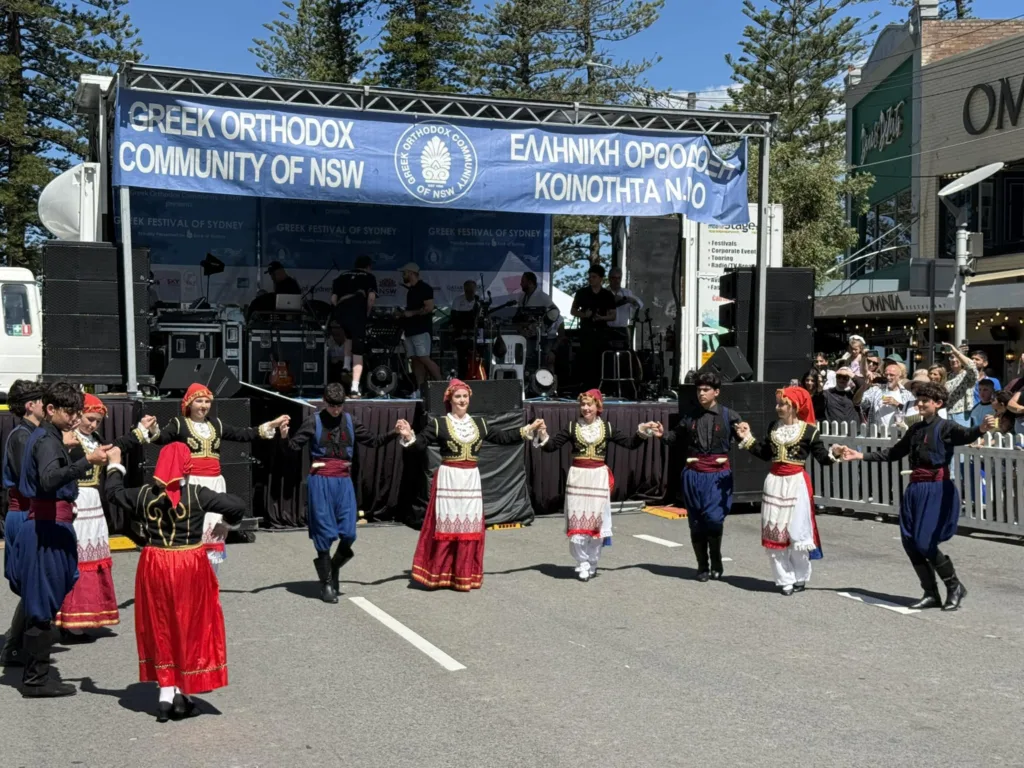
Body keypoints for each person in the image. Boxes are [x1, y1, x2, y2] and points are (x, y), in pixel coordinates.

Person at [103, 443, 246, 722]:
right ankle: (182, 692)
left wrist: (115, 465)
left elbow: (113, 494)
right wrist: (228, 523)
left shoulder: (144, 494)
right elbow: (237, 505)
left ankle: (166, 694)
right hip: (188, 563)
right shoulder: (196, 493)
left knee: (160, 624)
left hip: (155, 561)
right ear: (186, 467)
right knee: (190, 624)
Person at [842, 382, 995, 611]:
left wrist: (981, 428)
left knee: (925, 541)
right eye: (919, 400)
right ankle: (930, 593)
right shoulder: (915, 429)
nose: (920, 404)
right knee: (910, 542)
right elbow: (894, 453)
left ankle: (954, 586)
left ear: (938, 404)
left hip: (936, 488)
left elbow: (966, 435)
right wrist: (860, 456)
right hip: (915, 488)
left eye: (925, 401)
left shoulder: (946, 427)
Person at [395, 379, 540, 592]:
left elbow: (502, 437)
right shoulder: (439, 423)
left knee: (468, 526)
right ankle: (440, 573)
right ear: (450, 400)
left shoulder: (479, 424)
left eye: (465, 397)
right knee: (446, 525)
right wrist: (408, 436)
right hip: (449, 479)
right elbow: (420, 446)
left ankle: (463, 574)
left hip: (470, 479)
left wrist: (527, 429)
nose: (462, 400)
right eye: (458, 397)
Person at [12, 382, 109, 697]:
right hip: (46, 527)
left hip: (49, 524)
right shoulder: (48, 441)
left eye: (76, 413)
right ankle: (35, 679)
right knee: (41, 603)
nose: (73, 419)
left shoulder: (48, 437)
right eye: (69, 412)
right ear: (50, 409)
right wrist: (86, 463)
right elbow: (49, 479)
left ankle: (35, 672)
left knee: (43, 599)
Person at [143, 383, 289, 572]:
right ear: (189, 403)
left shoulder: (216, 424)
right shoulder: (179, 423)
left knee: (214, 531)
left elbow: (244, 434)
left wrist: (272, 424)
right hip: (191, 483)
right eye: (199, 401)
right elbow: (161, 439)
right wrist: (153, 428)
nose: (203, 405)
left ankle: (211, 579)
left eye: (207, 401)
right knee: (192, 529)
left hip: (215, 483)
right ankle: (189, 575)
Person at [281, 384, 398, 603]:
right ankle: (327, 583)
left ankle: (332, 567)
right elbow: (292, 448)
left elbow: (372, 441)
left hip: (343, 481)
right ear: (325, 402)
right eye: (332, 405)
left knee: (349, 533)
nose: (336, 409)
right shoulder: (313, 421)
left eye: (339, 405)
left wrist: (394, 432)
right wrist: (285, 437)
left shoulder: (351, 421)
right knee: (324, 533)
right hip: (321, 480)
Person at [55, 396, 156, 640]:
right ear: (78, 415)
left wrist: (140, 431)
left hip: (93, 504)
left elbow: (115, 447)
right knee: (77, 560)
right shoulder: (66, 439)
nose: (93, 425)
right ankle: (70, 619)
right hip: (75, 501)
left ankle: (87, 614)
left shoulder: (94, 439)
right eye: (90, 419)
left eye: (98, 422)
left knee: (92, 559)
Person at [533, 390, 656, 581]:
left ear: (598, 406)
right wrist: (543, 433)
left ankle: (592, 561)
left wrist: (643, 430)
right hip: (578, 478)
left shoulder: (606, 428)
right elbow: (551, 447)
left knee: (596, 522)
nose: (585, 408)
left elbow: (630, 444)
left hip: (598, 478)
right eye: (583, 404)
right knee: (578, 521)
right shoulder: (573, 426)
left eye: (589, 404)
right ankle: (581, 562)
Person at [736, 387, 843, 595]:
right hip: (775, 482)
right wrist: (747, 437)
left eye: (782, 404)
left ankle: (801, 576)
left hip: (797, 483)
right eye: (778, 404)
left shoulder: (810, 431)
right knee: (775, 531)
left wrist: (835, 454)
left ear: (794, 406)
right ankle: (784, 579)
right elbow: (765, 453)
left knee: (797, 532)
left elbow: (822, 458)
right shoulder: (773, 427)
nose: (778, 408)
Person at [651, 372, 747, 581]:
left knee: (713, 519)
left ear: (716, 392)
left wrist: (744, 432)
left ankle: (716, 559)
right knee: (696, 522)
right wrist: (662, 434)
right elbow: (673, 437)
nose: (701, 393)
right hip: (694, 475)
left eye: (706, 390)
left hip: (717, 476)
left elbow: (744, 436)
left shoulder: (729, 415)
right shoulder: (690, 416)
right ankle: (702, 566)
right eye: (699, 390)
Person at [1, 380, 45, 668]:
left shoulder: (33, 432)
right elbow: (26, 480)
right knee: (32, 584)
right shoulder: (21, 436)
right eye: (42, 401)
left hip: (33, 512)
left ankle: (16, 644)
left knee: (35, 584)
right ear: (30, 405)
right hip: (23, 513)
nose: (47, 405)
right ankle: (14, 645)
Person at [330, 255, 377, 397]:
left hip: (342, 314)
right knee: (358, 352)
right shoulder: (369, 277)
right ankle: (355, 387)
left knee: (348, 336)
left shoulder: (341, 276)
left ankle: (345, 365)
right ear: (368, 266)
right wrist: (367, 313)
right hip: (358, 315)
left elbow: (333, 299)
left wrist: (339, 312)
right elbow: (371, 298)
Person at [571, 264, 617, 390]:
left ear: (601, 278)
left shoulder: (607, 295)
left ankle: (602, 387)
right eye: (589, 277)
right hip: (586, 331)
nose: (591, 279)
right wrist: (584, 315)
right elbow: (573, 311)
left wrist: (602, 318)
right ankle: (586, 386)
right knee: (586, 359)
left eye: (594, 277)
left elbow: (613, 315)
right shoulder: (582, 293)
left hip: (602, 332)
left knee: (600, 360)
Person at [398, 262, 441, 396]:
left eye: (404, 273)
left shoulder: (425, 288)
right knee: (415, 360)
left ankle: (442, 386)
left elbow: (429, 308)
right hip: (410, 330)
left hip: (421, 330)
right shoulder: (411, 291)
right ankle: (420, 389)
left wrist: (412, 313)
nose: (403, 275)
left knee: (424, 358)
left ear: (411, 273)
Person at [860, 362, 915, 429]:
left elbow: (914, 413)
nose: (888, 377)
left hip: (899, 435)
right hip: (878, 435)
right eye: (886, 375)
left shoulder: (907, 394)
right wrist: (864, 386)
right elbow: (858, 402)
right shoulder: (876, 390)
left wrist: (897, 404)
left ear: (899, 376)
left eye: (892, 375)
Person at [944, 343, 978, 426]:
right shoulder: (949, 375)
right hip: (947, 412)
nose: (954, 360)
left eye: (957, 357)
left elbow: (971, 366)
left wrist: (956, 351)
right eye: (951, 357)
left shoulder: (968, 374)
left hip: (961, 413)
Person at [607, 267, 643, 334]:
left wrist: (629, 299)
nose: (617, 281)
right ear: (609, 278)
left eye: (619, 278)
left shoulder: (627, 292)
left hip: (623, 329)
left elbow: (640, 305)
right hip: (607, 329)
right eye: (614, 278)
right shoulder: (604, 293)